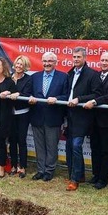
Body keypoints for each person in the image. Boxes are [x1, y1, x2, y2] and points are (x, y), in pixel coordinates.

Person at [62, 47, 103, 191]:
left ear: (84, 58)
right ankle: (78, 175)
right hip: (70, 115)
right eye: (74, 57)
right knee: (69, 147)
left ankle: (75, 180)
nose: (76, 59)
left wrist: (79, 99)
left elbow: (97, 94)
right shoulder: (70, 73)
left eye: (78, 57)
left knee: (76, 146)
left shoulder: (92, 74)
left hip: (83, 116)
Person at [83, 52, 108, 189]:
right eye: (102, 60)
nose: (104, 62)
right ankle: (95, 175)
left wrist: (94, 101)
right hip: (93, 119)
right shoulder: (96, 75)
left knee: (105, 150)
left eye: (107, 60)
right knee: (94, 148)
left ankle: (103, 178)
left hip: (107, 121)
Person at [28, 52, 68, 181]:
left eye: (50, 61)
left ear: (55, 62)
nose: (47, 64)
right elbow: (28, 93)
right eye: (45, 61)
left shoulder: (63, 77)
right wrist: (30, 98)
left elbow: (67, 96)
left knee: (51, 146)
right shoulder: (35, 77)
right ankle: (40, 170)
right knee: (39, 146)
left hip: (53, 118)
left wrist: (56, 98)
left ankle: (49, 171)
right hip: (37, 116)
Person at [8, 55, 33, 179]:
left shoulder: (29, 79)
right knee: (12, 141)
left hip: (23, 113)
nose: (18, 66)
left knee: (21, 141)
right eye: (17, 64)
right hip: (10, 114)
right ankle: (13, 165)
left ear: (25, 67)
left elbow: (27, 94)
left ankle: (22, 166)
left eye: (21, 64)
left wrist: (18, 94)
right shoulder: (9, 77)